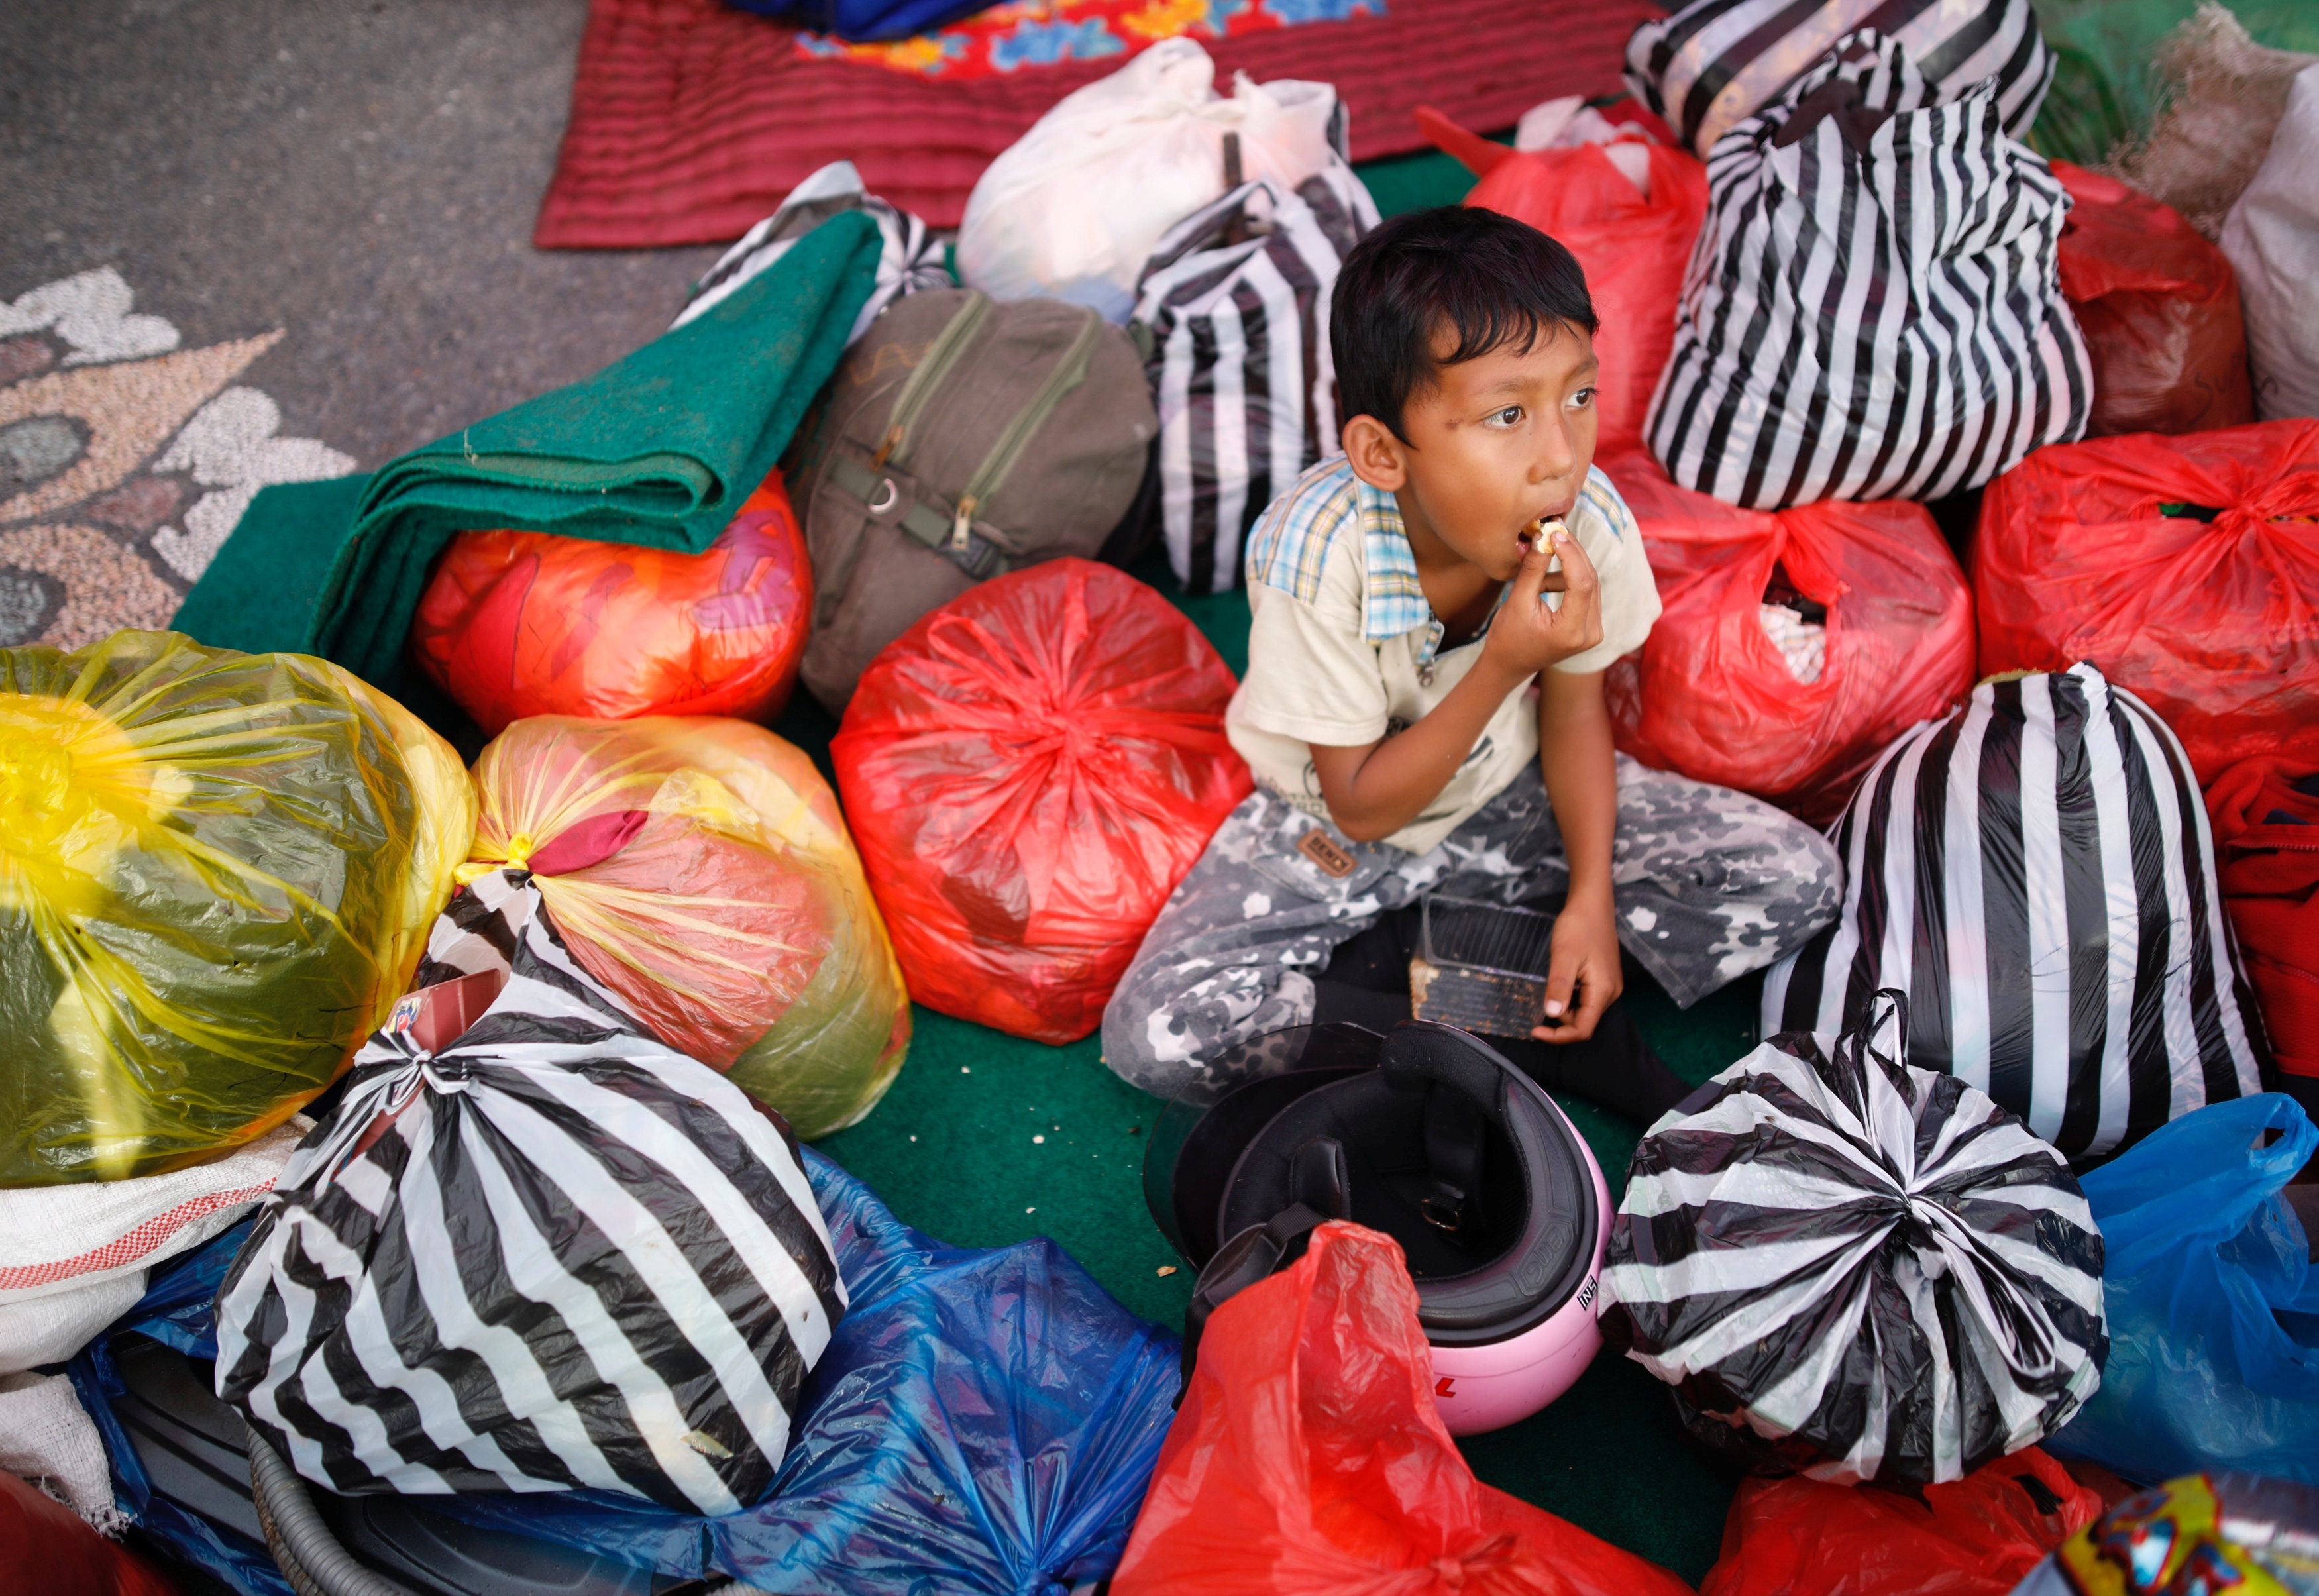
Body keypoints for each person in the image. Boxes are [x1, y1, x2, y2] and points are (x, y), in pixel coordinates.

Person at [1101, 206, 1842, 1120]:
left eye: (1578, 395)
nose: (1560, 456)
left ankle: (1427, 966)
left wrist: (1591, 905)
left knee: (1793, 878)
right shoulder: (1314, 551)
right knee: (1160, 1031)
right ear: (1382, 452)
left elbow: (1576, 714)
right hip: (1332, 828)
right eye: (1506, 414)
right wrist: (1501, 662)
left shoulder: (1593, 521)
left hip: (1506, 795)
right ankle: (1490, 1017)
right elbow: (1363, 804)